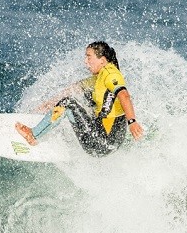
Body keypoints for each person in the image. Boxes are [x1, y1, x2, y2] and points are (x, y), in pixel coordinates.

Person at [15, 41, 144, 157]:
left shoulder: (111, 74)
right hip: (109, 141)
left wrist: (132, 122)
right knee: (85, 98)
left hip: (102, 143)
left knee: (68, 103)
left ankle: (34, 135)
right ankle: (50, 126)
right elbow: (74, 88)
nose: (85, 61)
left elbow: (124, 95)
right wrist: (47, 105)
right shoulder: (100, 77)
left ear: (102, 60)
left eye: (89, 56)